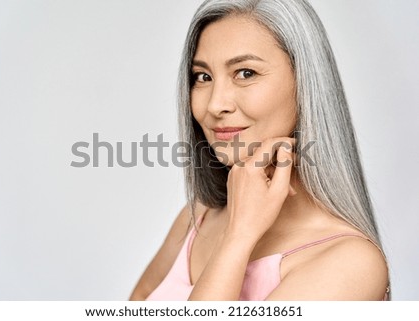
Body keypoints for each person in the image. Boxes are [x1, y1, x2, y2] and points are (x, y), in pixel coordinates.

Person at [129, 0, 390, 301]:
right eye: (203, 77)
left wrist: (238, 236)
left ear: (305, 82)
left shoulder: (351, 263)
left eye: (246, 73)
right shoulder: (197, 216)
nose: (215, 105)